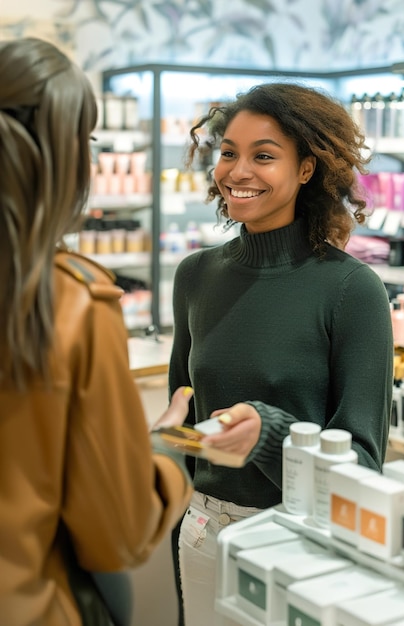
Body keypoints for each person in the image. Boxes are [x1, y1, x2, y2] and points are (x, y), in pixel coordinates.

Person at [168, 81, 394, 626]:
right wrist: (160, 443)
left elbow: (364, 465)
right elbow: (186, 424)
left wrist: (269, 434)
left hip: (303, 544)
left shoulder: (351, 290)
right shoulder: (195, 275)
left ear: (307, 170)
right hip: (202, 533)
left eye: (263, 156)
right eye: (228, 153)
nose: (237, 172)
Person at [0, 37, 194, 626]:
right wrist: (164, 451)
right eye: (88, 142)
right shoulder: (71, 302)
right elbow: (118, 532)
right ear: (65, 155)